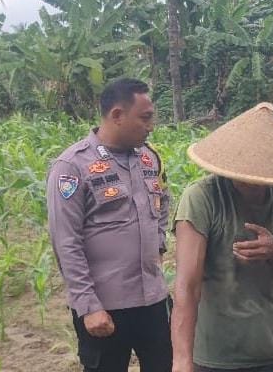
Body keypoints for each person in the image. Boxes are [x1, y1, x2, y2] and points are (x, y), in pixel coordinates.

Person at [171, 102, 273, 372]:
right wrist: (182, 360)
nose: (252, 181)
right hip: (216, 355)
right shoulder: (201, 198)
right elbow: (187, 285)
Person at [46, 78, 172, 372]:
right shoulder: (72, 167)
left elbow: (163, 202)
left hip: (153, 299)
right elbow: (66, 242)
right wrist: (88, 306)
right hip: (104, 307)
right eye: (145, 118)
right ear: (117, 115)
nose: (151, 126)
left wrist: (159, 245)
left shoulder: (149, 158)